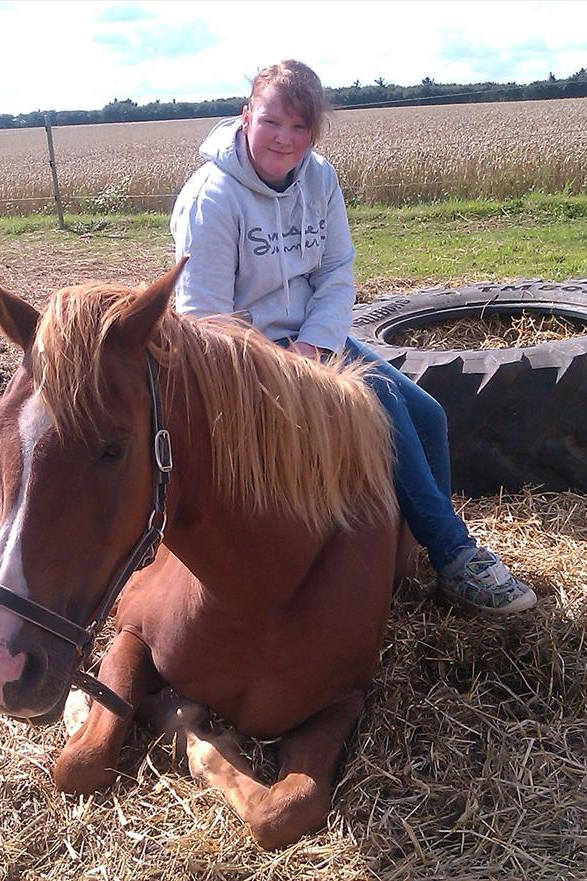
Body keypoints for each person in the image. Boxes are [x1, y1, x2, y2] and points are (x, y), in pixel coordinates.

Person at [170, 59, 536, 614]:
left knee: (430, 416)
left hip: (315, 340)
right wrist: (283, 363)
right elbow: (204, 321)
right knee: (382, 400)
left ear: (314, 131)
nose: (285, 139)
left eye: (300, 127)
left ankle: (407, 554)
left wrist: (315, 344)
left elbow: (337, 270)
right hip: (245, 359)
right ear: (246, 116)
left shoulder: (320, 179)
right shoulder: (212, 199)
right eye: (272, 122)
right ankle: (455, 554)